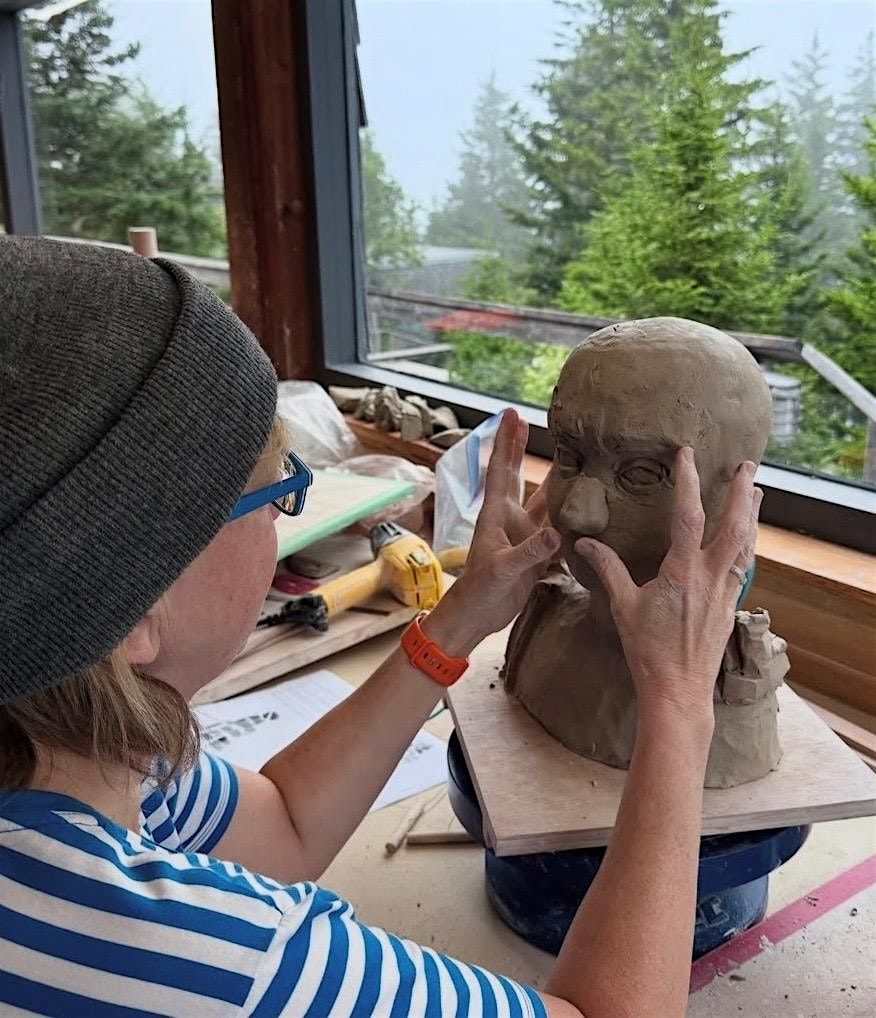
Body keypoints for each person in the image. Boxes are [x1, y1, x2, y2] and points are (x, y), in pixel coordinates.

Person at [0, 236, 759, 1018]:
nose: (579, 508)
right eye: (275, 495)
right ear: (133, 611)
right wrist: (678, 706)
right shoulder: (232, 966)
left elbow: (283, 826)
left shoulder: (77, 741)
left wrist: (460, 618)